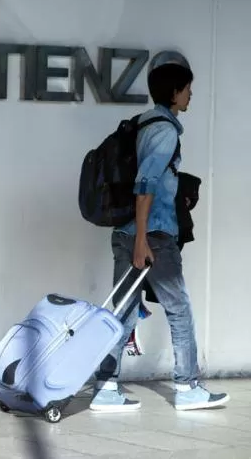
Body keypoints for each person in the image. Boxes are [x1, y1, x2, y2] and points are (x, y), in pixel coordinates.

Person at [90, 62, 229, 413]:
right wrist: (143, 240)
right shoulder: (165, 130)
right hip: (151, 235)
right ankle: (188, 387)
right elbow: (145, 184)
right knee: (179, 309)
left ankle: (106, 387)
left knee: (121, 312)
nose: (190, 94)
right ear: (174, 92)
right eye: (187, 88)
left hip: (126, 231)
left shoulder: (142, 124)